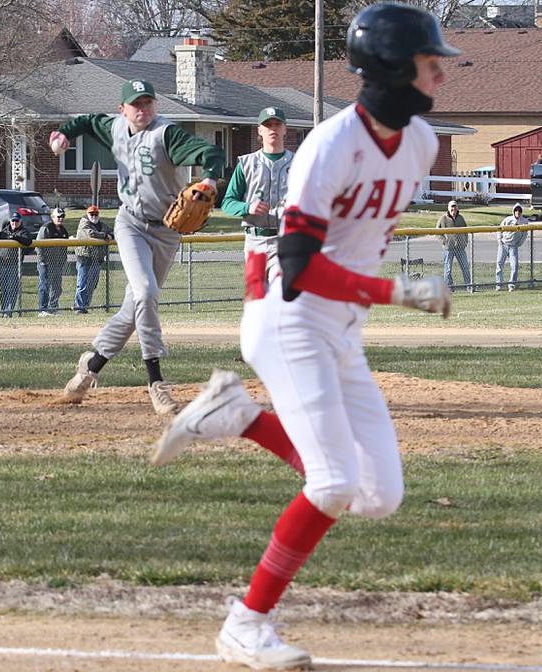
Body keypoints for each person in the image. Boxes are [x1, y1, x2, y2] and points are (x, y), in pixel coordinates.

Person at [151, 4, 456, 668]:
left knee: (378, 495)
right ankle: (246, 624)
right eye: (431, 64)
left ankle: (238, 415)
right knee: (331, 483)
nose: (440, 76)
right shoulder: (330, 143)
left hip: (341, 327)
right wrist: (396, 292)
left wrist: (372, 297)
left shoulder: (423, 143)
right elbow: (297, 264)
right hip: (289, 316)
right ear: (395, 70)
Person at [50, 78, 224, 416]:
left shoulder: (166, 134)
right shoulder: (114, 127)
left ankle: (91, 366)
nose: (143, 109)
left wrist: (210, 178)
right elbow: (86, 121)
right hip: (130, 223)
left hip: (167, 230)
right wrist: (63, 134)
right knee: (145, 293)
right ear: (123, 109)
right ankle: (156, 382)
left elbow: (210, 152)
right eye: (136, 104)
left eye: (148, 102)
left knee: (135, 307)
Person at [222, 106, 294, 282]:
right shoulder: (246, 163)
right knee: (258, 301)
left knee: (280, 295)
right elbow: (228, 202)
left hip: (286, 239)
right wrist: (248, 207)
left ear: (285, 129)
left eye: (277, 124)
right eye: (268, 125)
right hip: (255, 240)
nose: (273, 129)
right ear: (260, 130)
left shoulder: (299, 163)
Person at [74, 204, 114, 313]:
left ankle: (85, 306)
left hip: (97, 259)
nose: (94, 216)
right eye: (91, 214)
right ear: (87, 214)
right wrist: (105, 236)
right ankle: (79, 308)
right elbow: (90, 234)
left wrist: (110, 235)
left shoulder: (101, 225)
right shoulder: (84, 223)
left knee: (92, 284)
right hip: (85, 258)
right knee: (82, 284)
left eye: (96, 214)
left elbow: (112, 231)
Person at [0, 213, 33, 317]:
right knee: (3, 289)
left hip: (14, 265)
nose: (14, 223)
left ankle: (8, 311)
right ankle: (3, 310)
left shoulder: (23, 232)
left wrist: (15, 237)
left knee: (12, 289)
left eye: (16, 221)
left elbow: (28, 241)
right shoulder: (3, 232)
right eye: (12, 220)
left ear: (20, 221)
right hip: (3, 264)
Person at [36, 207, 70, 316]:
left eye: (62, 216)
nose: (61, 219)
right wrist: (42, 260)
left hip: (57, 264)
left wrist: (63, 260)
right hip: (45, 263)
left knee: (57, 286)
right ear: (53, 217)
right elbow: (38, 245)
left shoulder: (64, 230)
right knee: (44, 285)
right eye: (58, 217)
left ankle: (53, 308)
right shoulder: (46, 228)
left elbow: (64, 248)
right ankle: (42, 310)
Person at [436, 200, 471, 291]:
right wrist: (444, 241)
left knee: (465, 267)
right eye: (451, 207)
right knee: (447, 269)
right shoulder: (443, 219)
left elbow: (466, 231)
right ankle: (449, 287)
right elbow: (437, 232)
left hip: (460, 247)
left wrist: (465, 241)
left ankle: (469, 286)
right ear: (448, 208)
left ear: (457, 208)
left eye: (455, 207)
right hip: (448, 248)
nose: (453, 209)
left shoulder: (461, 218)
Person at [495, 203, 528, 291]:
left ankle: (512, 285)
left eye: (520, 210)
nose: (518, 212)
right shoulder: (508, 219)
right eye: (516, 210)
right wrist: (499, 240)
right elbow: (499, 229)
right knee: (499, 264)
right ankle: (499, 285)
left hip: (513, 246)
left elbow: (525, 234)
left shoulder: (524, 221)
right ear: (513, 211)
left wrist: (519, 243)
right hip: (504, 244)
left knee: (514, 266)